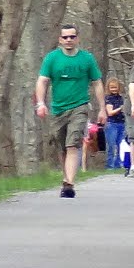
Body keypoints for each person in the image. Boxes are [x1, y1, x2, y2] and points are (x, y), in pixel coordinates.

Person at [35, 23, 106, 198]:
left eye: (72, 37)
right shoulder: (52, 58)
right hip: (58, 108)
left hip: (79, 106)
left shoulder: (87, 59)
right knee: (62, 148)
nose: (68, 40)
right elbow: (42, 81)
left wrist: (103, 109)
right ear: (60, 39)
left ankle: (69, 184)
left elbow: (97, 83)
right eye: (65, 37)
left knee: (72, 143)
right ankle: (66, 178)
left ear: (77, 38)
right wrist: (41, 103)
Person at [103, 78, 127, 174]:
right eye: (111, 87)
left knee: (120, 144)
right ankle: (110, 165)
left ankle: (118, 164)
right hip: (111, 124)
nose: (113, 89)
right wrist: (120, 108)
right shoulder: (108, 98)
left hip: (121, 123)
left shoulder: (121, 98)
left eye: (115, 87)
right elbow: (110, 113)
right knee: (111, 145)